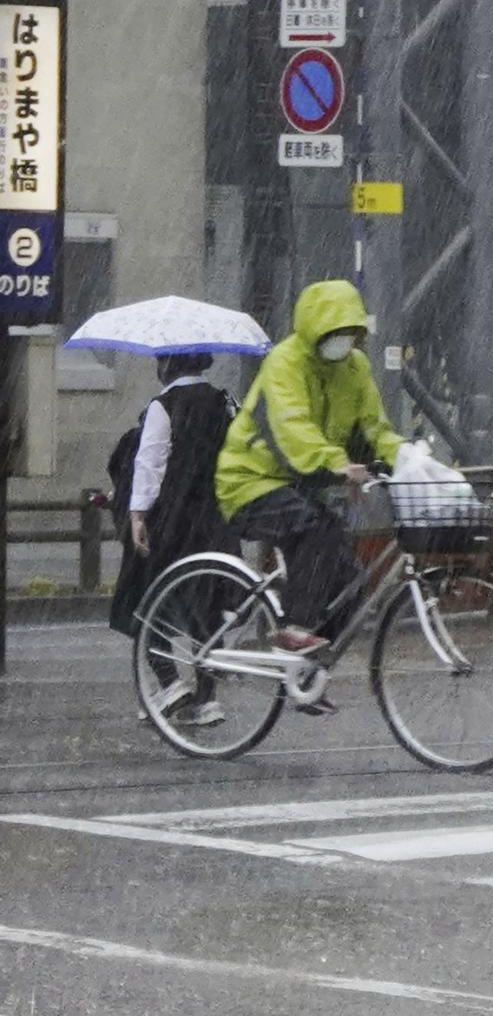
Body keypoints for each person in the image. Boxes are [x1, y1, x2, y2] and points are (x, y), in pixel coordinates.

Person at [215, 281, 404, 681]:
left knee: (350, 581)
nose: (342, 342)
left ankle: (308, 672)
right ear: (314, 331)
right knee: (313, 529)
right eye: (333, 334)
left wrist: (405, 458)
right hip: (250, 480)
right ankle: (294, 629)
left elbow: (374, 426)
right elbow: (292, 426)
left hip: (299, 483)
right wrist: (335, 462)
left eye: (348, 334)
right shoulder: (285, 362)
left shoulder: (355, 369)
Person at [111, 350, 235, 729]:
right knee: (207, 607)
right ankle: (207, 699)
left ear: (167, 365)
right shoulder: (225, 402)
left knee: (150, 602)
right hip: (214, 519)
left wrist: (137, 515)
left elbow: (149, 462)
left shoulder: (163, 406)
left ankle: (169, 684)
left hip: (174, 519)